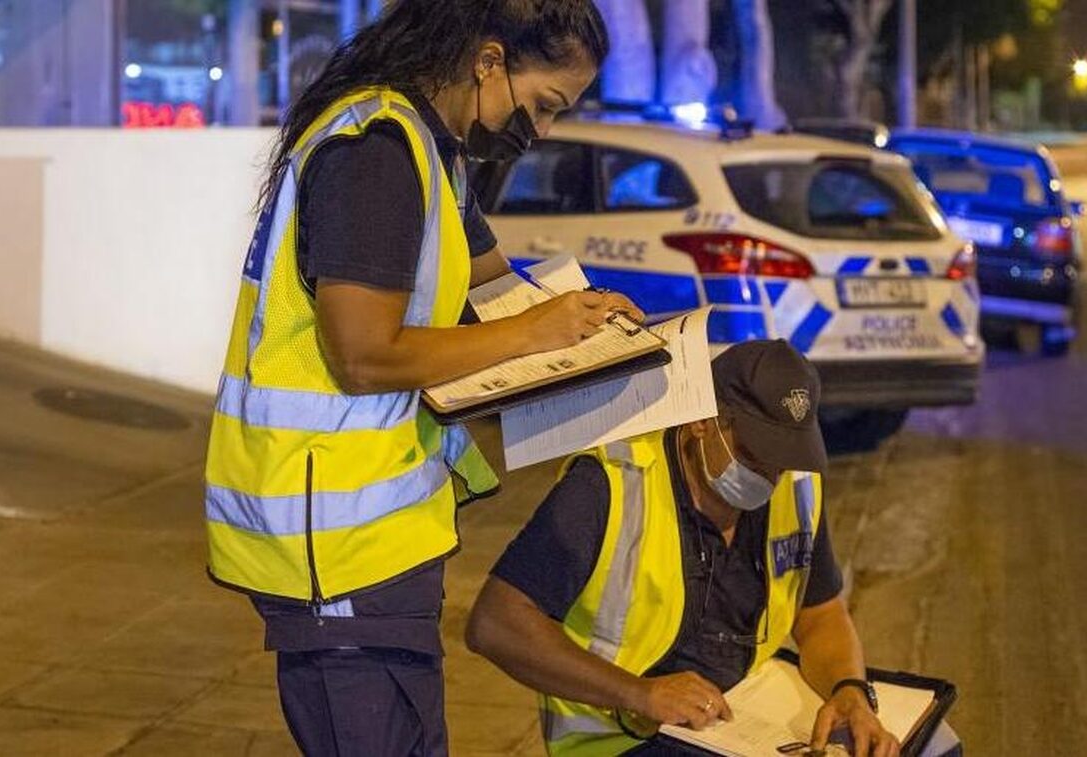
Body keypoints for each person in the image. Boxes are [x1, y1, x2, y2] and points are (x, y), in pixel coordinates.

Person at [203, 2, 639, 754]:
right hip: (334, 549)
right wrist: (539, 330)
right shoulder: (377, 151)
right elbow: (364, 355)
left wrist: (603, 327)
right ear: (490, 60)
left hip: (382, 543)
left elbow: (496, 287)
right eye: (543, 107)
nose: (542, 131)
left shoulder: (435, 151)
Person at [466, 340, 903, 757]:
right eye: (754, 455)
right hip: (620, 740)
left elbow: (821, 612)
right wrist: (641, 694)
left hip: (742, 720)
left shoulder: (796, 485)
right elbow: (495, 623)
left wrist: (850, 691)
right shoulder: (613, 482)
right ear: (703, 419)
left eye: (784, 457)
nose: (770, 476)